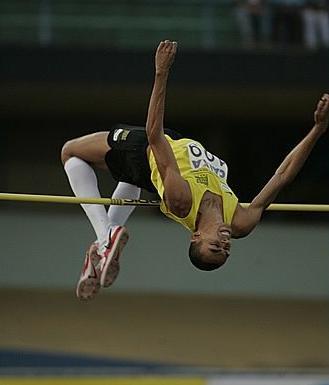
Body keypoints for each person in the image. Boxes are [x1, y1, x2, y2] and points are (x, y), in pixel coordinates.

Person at [61, 40, 329, 301]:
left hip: (146, 148)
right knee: (131, 179)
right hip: (164, 154)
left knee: (70, 152)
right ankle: (102, 246)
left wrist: (161, 72)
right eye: (225, 251)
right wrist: (317, 130)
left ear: (196, 236)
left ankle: (104, 236)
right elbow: (282, 176)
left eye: (215, 247)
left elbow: (155, 136)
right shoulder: (240, 221)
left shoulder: (182, 201)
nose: (224, 245)